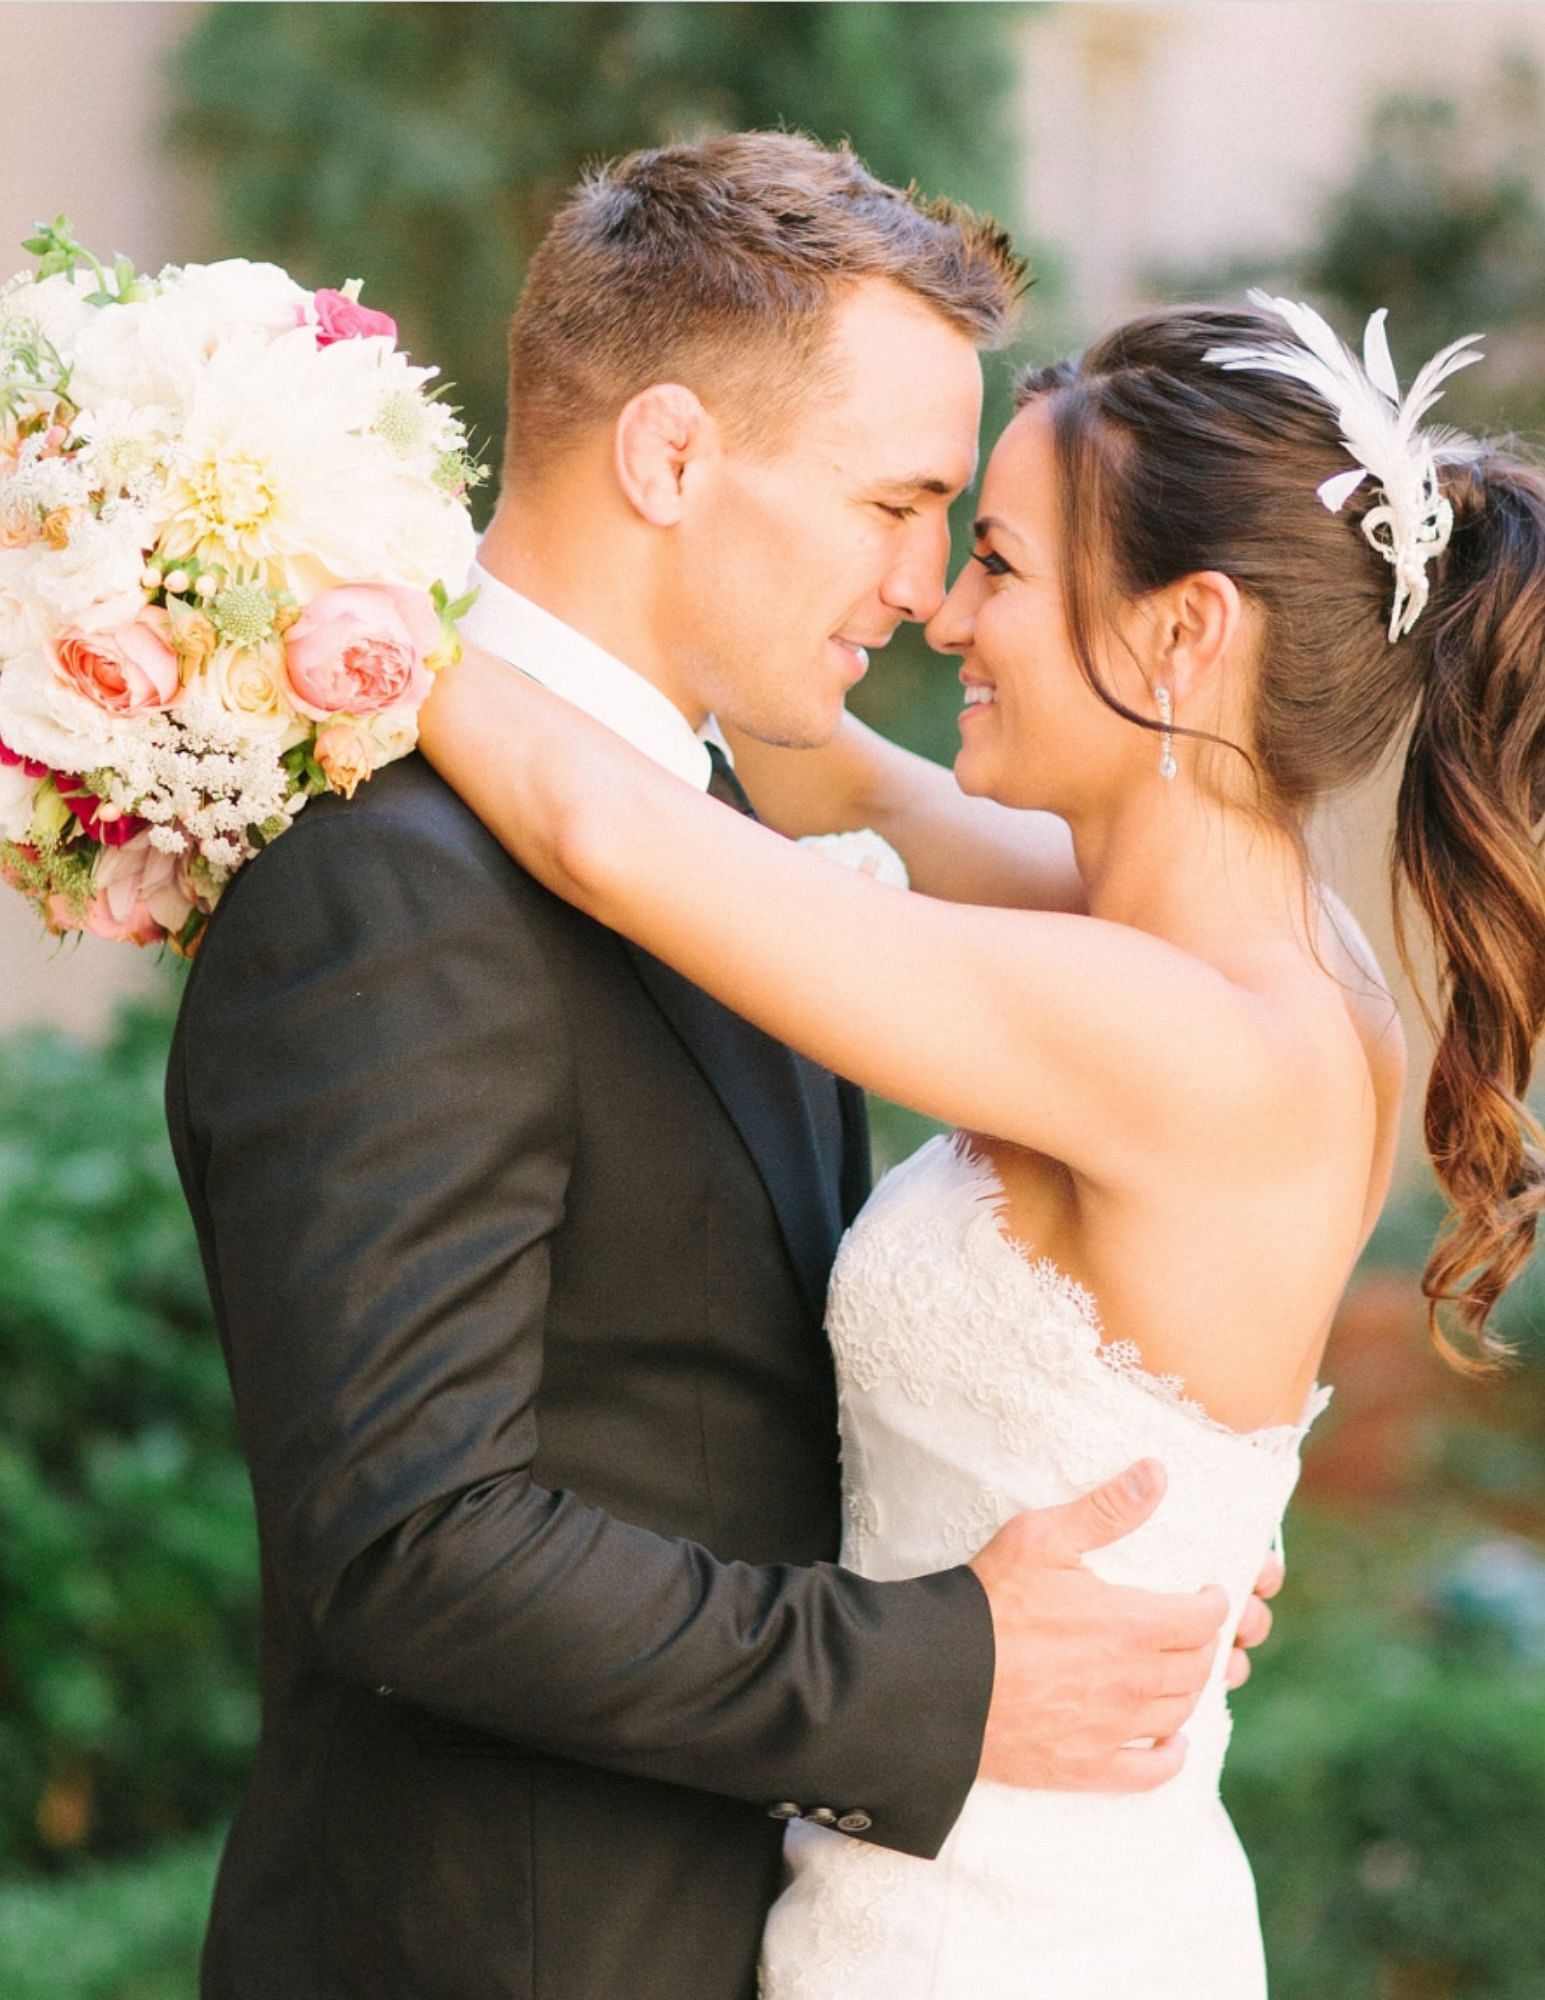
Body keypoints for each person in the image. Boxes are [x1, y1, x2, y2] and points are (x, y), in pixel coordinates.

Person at [165, 135, 1286, 2000]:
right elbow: (409, 1547)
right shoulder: (392, 875)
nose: (923, 589)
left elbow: (733, 1401)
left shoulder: (716, 843)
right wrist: (950, 1665)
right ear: (672, 455)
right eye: (895, 502)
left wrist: (1132, 1544)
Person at [419, 292, 1545, 1996]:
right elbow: (842, 778)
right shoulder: (1220, 952)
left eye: (999, 564)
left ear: (1183, 635)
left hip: (1004, 1941)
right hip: (955, 1879)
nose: (943, 610)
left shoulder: (1188, 1042)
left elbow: (603, 830)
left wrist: (308, 595)